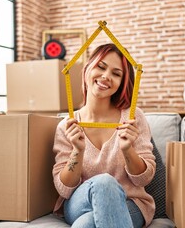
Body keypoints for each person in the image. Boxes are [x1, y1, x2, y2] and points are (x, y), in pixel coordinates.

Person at [52, 43, 156, 228]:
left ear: (122, 83)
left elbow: (144, 179)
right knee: (104, 182)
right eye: (101, 67)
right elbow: (64, 189)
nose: (106, 76)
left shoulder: (132, 117)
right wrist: (78, 150)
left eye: (116, 74)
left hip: (130, 203)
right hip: (80, 203)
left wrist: (128, 150)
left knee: (85, 225)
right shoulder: (67, 126)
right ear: (87, 70)